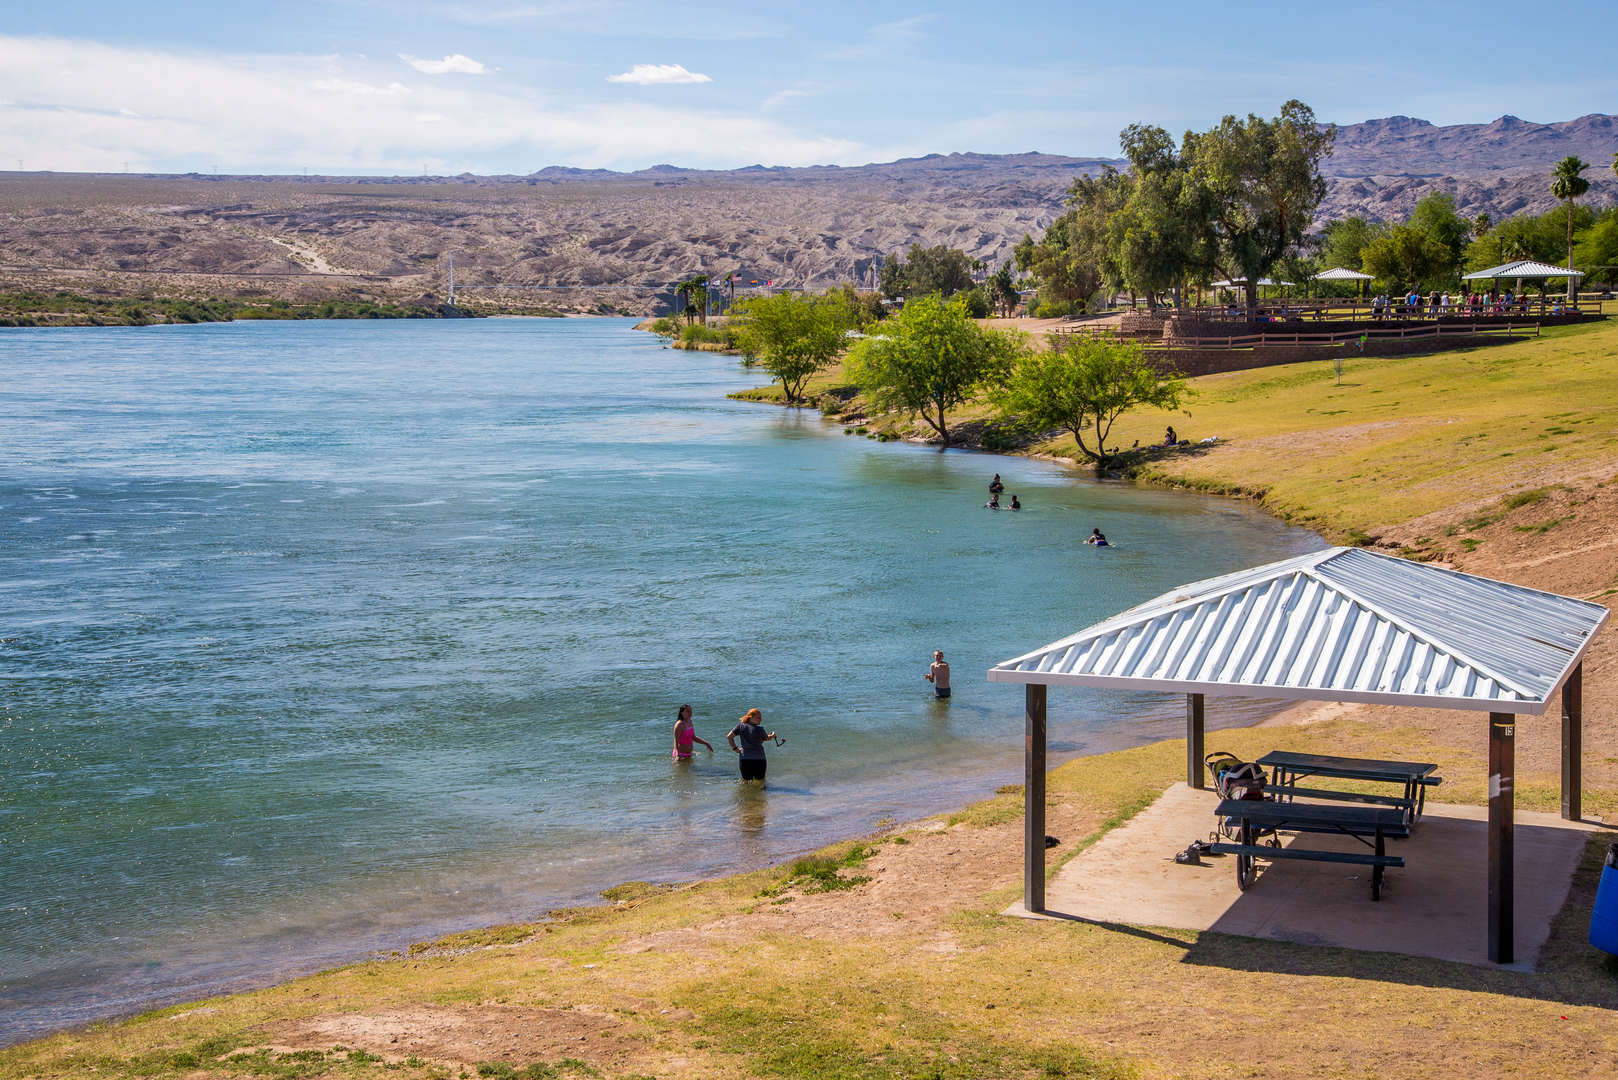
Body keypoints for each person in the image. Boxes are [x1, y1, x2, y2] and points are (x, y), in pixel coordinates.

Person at [727, 708, 774, 782]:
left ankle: (748, 793)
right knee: (760, 781)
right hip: (759, 759)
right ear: (750, 718)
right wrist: (773, 735)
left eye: (761, 717)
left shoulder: (740, 726)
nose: (760, 719)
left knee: (746, 782)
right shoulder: (759, 729)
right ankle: (759, 794)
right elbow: (767, 738)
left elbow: (729, 737)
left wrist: (735, 749)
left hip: (744, 759)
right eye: (758, 718)